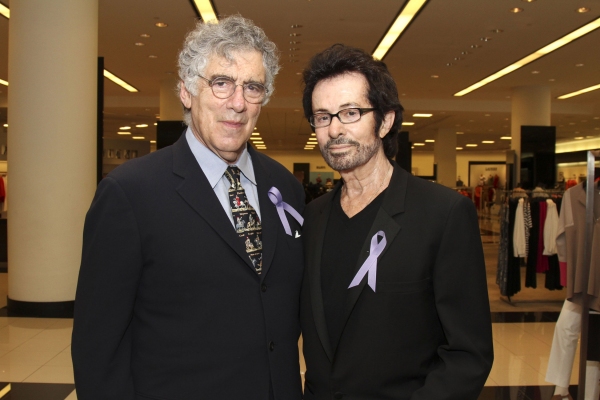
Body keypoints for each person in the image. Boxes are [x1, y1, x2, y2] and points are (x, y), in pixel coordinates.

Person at [72, 16, 305, 400]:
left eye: (252, 87)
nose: (237, 103)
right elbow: (98, 348)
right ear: (185, 91)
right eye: (221, 83)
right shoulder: (129, 193)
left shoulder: (286, 188)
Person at [299, 44, 493, 400]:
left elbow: (469, 354)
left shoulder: (443, 214)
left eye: (351, 112)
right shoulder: (313, 216)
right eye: (322, 116)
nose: (334, 129)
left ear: (386, 120)